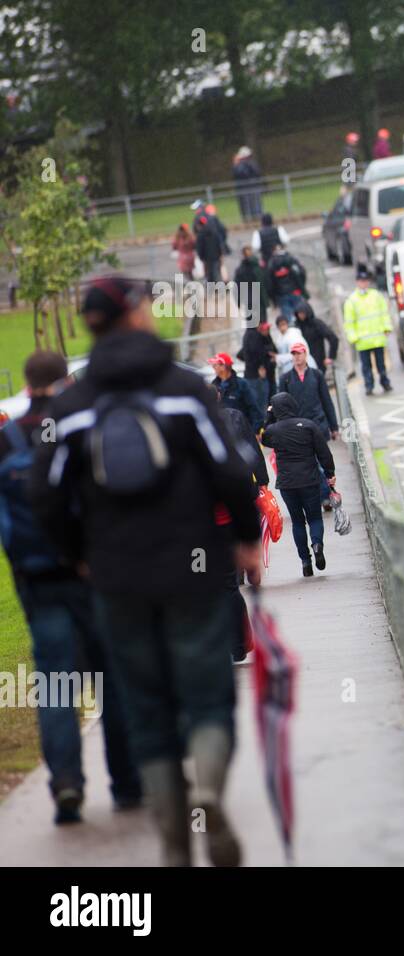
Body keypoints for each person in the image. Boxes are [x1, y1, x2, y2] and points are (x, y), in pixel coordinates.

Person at [31, 276, 262, 868]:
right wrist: (242, 538)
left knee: (147, 709)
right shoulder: (185, 390)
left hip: (117, 579)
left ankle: (174, 845)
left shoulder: (70, 409)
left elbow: (46, 495)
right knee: (208, 697)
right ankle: (207, 791)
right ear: (133, 314)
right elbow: (230, 471)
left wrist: (75, 554)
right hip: (195, 570)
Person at [0, 351, 142, 825]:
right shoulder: (82, 429)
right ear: (65, 381)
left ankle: (65, 783)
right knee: (112, 679)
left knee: (56, 684)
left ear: (25, 384)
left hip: (37, 577)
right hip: (92, 573)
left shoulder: (7, 439)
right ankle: (126, 783)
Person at [261, 392, 335, 578]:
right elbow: (323, 453)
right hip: (309, 480)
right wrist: (330, 474)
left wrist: (270, 415)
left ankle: (305, 562)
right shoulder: (309, 426)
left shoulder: (274, 430)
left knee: (297, 521)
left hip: (287, 483)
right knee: (315, 518)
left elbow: (264, 437)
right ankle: (317, 545)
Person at [218, 406, 268, 664]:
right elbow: (242, 493)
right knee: (227, 587)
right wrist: (251, 544)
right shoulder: (222, 444)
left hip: (198, 538)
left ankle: (226, 644)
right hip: (224, 528)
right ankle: (236, 644)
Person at [276, 342, 338, 504]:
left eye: (300, 353)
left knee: (322, 461)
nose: (297, 356)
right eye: (294, 354)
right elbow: (280, 406)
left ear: (306, 354)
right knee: (312, 463)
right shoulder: (286, 379)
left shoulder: (317, 375)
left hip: (319, 424)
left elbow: (326, 400)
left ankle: (326, 495)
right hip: (298, 429)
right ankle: (324, 496)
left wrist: (334, 426)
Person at [344, 265, 393, 395]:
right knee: (366, 367)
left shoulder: (376, 295)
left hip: (377, 337)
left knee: (381, 365)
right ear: (357, 282)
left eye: (366, 281)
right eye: (361, 281)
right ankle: (369, 386)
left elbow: (384, 313)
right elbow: (349, 322)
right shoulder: (352, 300)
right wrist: (353, 337)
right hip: (363, 340)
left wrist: (387, 327)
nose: (364, 283)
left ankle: (385, 382)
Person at [209, 352, 264, 432]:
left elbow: (253, 408)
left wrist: (255, 431)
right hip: (224, 431)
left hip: (242, 430)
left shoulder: (241, 384)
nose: (213, 367)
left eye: (215, 365)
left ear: (223, 366)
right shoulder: (214, 385)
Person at [237, 318, 278, 416]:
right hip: (258, 378)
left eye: (267, 329)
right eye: (263, 328)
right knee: (261, 407)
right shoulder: (254, 337)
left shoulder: (267, 339)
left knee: (269, 406)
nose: (265, 330)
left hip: (269, 377)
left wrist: (273, 358)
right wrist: (259, 367)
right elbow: (244, 354)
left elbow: (274, 353)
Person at [266, 244, 309, 324]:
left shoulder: (272, 263)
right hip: (296, 292)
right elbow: (301, 273)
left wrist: (273, 298)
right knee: (301, 316)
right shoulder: (291, 259)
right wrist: (302, 287)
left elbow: (269, 283)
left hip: (281, 295)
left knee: (288, 319)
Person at [293, 298, 339, 373]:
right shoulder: (296, 327)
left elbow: (333, 338)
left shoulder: (316, 324)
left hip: (318, 363)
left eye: (302, 313)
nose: (300, 315)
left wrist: (331, 357)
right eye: (299, 313)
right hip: (302, 364)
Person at [232, 246, 269, 325]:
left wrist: (238, 302)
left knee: (252, 324)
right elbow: (267, 282)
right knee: (263, 323)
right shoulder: (259, 267)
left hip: (249, 300)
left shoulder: (240, 269)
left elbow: (236, 287)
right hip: (260, 299)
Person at [231, 147, 264, 221]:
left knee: (255, 204)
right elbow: (237, 174)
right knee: (245, 205)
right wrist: (236, 164)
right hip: (243, 188)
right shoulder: (239, 165)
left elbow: (256, 173)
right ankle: (248, 219)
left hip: (253, 187)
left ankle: (257, 218)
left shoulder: (250, 163)